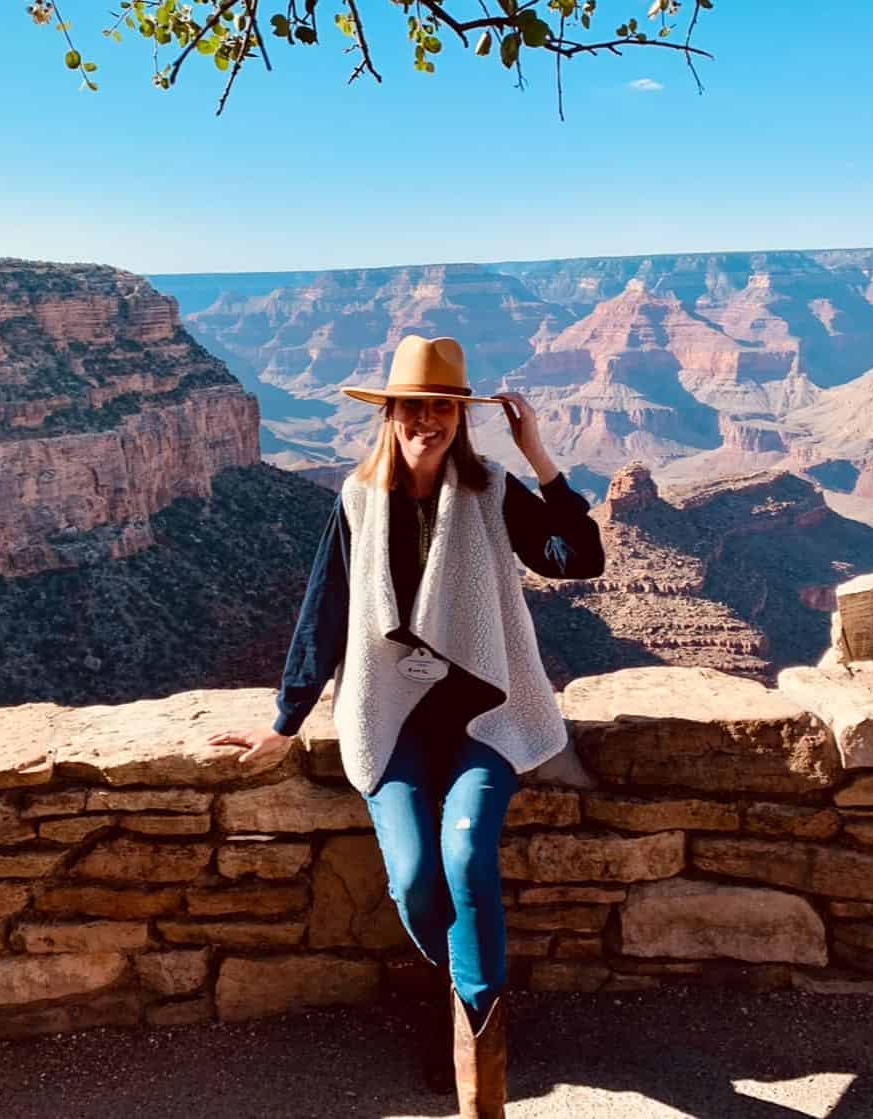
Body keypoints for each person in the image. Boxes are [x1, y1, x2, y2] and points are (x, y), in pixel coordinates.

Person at [205, 334, 605, 1118]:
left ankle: (477, 1068)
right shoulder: (358, 500)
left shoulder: (492, 490)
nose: (429, 420)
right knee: (419, 876)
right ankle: (468, 1003)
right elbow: (324, 613)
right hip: (390, 721)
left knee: (465, 857)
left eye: (444, 407)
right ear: (389, 414)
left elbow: (579, 557)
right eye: (414, 406)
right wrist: (284, 720)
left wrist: (540, 456)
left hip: (484, 719)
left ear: (461, 415)